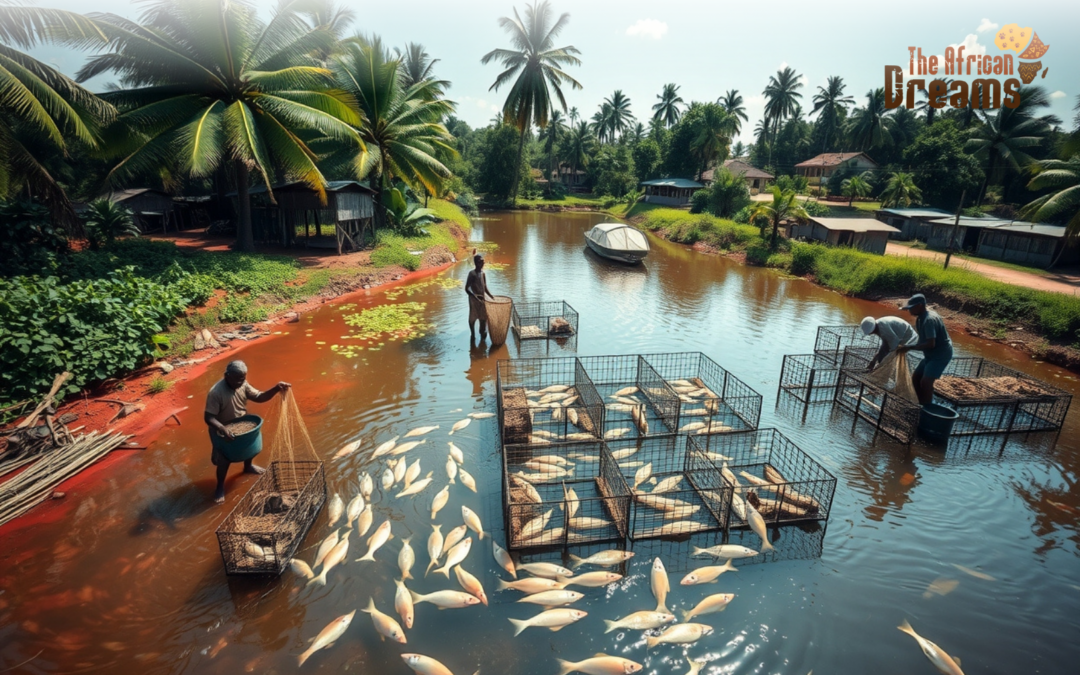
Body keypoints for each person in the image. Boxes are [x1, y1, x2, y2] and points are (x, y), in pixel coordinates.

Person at [204, 360, 291, 503]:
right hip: (221, 428)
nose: (240, 383)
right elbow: (208, 418)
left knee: (250, 448)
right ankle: (220, 486)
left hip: (242, 422)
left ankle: (248, 466)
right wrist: (223, 429)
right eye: (237, 380)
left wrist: (276, 389)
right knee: (224, 459)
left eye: (242, 379)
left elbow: (259, 397)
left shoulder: (243, 384)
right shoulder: (216, 393)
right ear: (227, 376)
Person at [896, 294, 953, 405]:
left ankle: (926, 408)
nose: (909, 311)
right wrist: (907, 346)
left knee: (926, 382)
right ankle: (918, 403)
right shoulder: (920, 318)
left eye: (911, 308)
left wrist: (910, 347)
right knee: (916, 378)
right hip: (930, 355)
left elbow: (930, 344)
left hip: (940, 355)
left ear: (920, 306)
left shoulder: (928, 320)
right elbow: (922, 340)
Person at [465, 249, 495, 343]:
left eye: (483, 262)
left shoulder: (483, 273)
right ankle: (473, 334)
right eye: (481, 262)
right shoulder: (472, 274)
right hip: (474, 300)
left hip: (482, 300)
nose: (483, 263)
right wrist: (475, 296)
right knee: (473, 318)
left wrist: (491, 296)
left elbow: (485, 287)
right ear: (477, 263)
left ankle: (482, 332)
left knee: (483, 317)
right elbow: (467, 288)